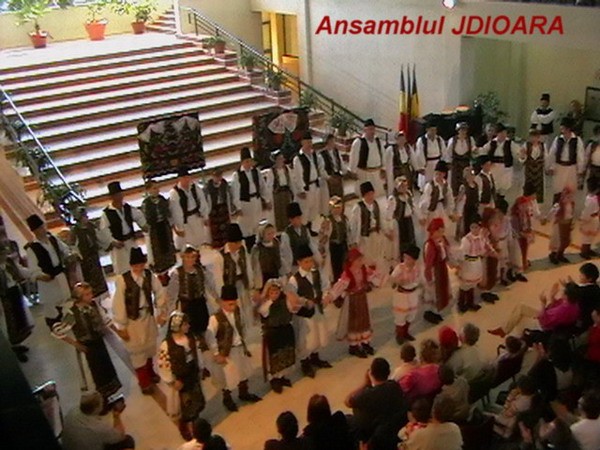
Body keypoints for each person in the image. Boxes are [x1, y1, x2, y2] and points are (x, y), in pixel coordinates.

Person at [52, 282, 122, 405]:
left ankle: (107, 397)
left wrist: (118, 332)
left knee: (105, 371)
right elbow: (58, 331)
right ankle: (99, 402)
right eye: (87, 294)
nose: (91, 296)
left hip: (99, 344)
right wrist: (75, 344)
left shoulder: (94, 305)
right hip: (87, 347)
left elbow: (105, 319)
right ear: (79, 297)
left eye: (90, 293)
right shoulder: (72, 313)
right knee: (92, 375)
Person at [111, 248, 167, 394]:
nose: (139, 269)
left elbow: (159, 292)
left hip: (147, 316)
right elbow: (118, 304)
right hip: (132, 321)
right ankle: (144, 381)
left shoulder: (148, 276)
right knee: (137, 352)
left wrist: (161, 311)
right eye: (136, 266)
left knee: (149, 347)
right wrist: (122, 326)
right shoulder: (123, 280)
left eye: (141, 265)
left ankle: (150, 372)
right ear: (131, 265)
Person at [205, 284, 261, 412]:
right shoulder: (215, 318)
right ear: (222, 302)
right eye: (230, 304)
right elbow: (210, 336)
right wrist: (216, 353)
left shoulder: (237, 312)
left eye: (234, 304)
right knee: (229, 377)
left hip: (239, 347)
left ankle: (244, 393)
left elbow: (242, 326)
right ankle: (227, 399)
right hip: (227, 351)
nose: (233, 307)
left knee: (243, 371)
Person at [327, 248, 385, 358]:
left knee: (364, 320)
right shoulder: (347, 273)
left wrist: (384, 278)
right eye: (358, 260)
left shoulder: (364, 269)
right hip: (352, 300)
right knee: (354, 322)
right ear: (351, 261)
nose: (361, 262)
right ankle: (354, 346)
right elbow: (340, 286)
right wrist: (331, 296)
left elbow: (374, 276)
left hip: (362, 298)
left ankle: (365, 342)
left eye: (361, 260)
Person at [156, 312, 205, 440]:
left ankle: (196, 425)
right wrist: (172, 381)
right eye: (185, 324)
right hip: (179, 380)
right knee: (183, 406)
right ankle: (185, 428)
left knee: (195, 401)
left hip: (192, 375)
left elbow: (197, 353)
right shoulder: (166, 345)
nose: (188, 326)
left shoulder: (190, 339)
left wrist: (200, 367)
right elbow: (163, 364)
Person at [286, 244, 331, 378]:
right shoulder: (294, 279)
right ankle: (305, 362)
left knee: (318, 334)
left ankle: (315, 357)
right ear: (299, 262)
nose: (309, 264)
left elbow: (324, 286)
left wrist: (325, 296)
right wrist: (303, 302)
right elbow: (292, 298)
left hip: (317, 309)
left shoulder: (316, 273)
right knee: (306, 339)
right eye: (306, 262)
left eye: (311, 260)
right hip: (304, 316)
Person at [345, 357, 408, 449]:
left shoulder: (367, 395)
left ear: (371, 374)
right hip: (393, 428)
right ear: (388, 373)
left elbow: (347, 401)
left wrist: (365, 383)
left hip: (374, 433)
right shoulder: (394, 386)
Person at [167, 246, 218, 353]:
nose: (190, 260)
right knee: (189, 328)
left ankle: (205, 344)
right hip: (186, 305)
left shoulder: (200, 270)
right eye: (187, 257)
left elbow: (210, 286)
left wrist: (217, 298)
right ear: (182, 257)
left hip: (200, 303)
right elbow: (172, 294)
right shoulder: (177, 273)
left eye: (192, 257)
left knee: (204, 325)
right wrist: (168, 311)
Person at [24, 213, 71, 328]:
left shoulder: (53, 239)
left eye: (43, 227)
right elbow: (33, 270)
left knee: (66, 303)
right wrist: (41, 276)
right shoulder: (32, 248)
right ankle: (55, 326)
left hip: (60, 276)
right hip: (48, 282)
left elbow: (65, 250)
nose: (43, 230)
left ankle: (68, 323)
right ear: (35, 231)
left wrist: (70, 256)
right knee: (52, 308)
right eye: (39, 228)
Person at [488, 281, 581, 338]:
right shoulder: (574, 304)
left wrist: (543, 303)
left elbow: (544, 321)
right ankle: (504, 330)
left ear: (566, 295)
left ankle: (516, 340)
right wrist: (552, 297)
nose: (561, 292)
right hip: (554, 321)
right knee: (520, 307)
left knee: (520, 320)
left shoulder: (562, 310)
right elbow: (554, 307)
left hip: (546, 326)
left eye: (563, 292)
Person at [257, 279, 296, 393]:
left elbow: (292, 308)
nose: (274, 295)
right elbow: (263, 312)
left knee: (285, 354)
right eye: (271, 292)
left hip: (285, 330)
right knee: (274, 357)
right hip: (273, 333)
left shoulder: (284, 301)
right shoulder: (266, 304)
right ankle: (274, 379)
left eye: (276, 292)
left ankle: (282, 376)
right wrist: (269, 301)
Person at [100, 181, 147, 275]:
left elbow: (139, 217)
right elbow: (104, 230)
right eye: (116, 195)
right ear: (112, 197)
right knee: (122, 270)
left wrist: (143, 225)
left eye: (120, 194)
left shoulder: (128, 208)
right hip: (118, 246)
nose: (119, 197)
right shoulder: (107, 213)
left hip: (131, 241)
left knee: (137, 265)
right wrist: (113, 241)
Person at [62, 391, 134, 450]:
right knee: (128, 441)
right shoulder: (100, 428)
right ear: (97, 409)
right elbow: (120, 436)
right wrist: (116, 415)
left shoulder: (72, 412)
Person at [231, 146, 271, 249]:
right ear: (242, 162)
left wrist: (267, 200)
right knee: (246, 227)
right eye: (246, 162)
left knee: (256, 224)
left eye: (249, 161)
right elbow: (236, 192)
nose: (248, 164)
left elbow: (262, 186)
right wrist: (238, 207)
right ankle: (248, 247)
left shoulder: (256, 172)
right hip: (245, 203)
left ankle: (258, 245)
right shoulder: (237, 175)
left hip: (256, 201)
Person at [0, 244, 33, 362]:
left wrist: (34, 273)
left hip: (14, 293)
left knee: (20, 320)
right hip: (4, 298)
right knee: (9, 323)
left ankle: (17, 344)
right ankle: (11, 348)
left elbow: (21, 271)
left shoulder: (9, 262)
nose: (4, 256)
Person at [457, 216, 496, 313]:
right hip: (468, 264)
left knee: (473, 284)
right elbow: (461, 254)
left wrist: (492, 252)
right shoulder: (466, 240)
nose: (474, 229)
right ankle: (461, 303)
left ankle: (470, 302)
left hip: (477, 262)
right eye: (472, 227)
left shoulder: (482, 237)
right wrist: (459, 266)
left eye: (476, 227)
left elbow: (487, 246)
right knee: (465, 285)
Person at [70, 207, 111, 299]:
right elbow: (73, 245)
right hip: (85, 259)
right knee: (89, 279)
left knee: (99, 277)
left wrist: (108, 245)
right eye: (84, 216)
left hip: (94, 256)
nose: (86, 218)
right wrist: (77, 255)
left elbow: (99, 237)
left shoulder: (91, 227)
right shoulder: (75, 231)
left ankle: (102, 296)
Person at [350, 181, 389, 274]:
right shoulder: (358, 207)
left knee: (377, 257)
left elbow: (380, 219)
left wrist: (386, 232)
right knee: (366, 258)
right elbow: (354, 225)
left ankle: (376, 275)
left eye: (372, 194)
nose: (371, 196)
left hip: (376, 235)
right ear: (364, 195)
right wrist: (354, 241)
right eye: (368, 194)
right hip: (365, 237)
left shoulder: (375, 204)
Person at [546, 117, 585, 204]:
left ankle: (568, 209)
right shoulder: (558, 139)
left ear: (568, 128)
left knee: (570, 189)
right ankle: (556, 207)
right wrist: (550, 166)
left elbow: (580, 156)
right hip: (559, 166)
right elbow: (552, 154)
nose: (561, 129)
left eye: (563, 127)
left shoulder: (577, 140)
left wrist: (580, 170)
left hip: (571, 168)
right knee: (557, 188)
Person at [170, 167, 211, 251]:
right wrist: (180, 227)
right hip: (185, 221)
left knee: (200, 240)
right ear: (179, 179)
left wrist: (205, 216)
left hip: (197, 217)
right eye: (183, 178)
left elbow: (202, 201)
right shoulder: (174, 193)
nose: (186, 180)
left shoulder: (195, 187)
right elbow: (176, 212)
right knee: (188, 244)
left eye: (187, 177)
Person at [141, 180, 177, 274]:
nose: (157, 190)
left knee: (168, 243)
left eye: (157, 188)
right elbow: (146, 217)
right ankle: (160, 265)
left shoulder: (162, 199)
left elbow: (167, 212)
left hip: (164, 225)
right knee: (157, 247)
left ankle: (170, 262)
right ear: (148, 190)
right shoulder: (146, 203)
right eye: (154, 188)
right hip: (155, 228)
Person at [292, 132, 327, 228]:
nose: (309, 144)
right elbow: (298, 176)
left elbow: (320, 168)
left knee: (314, 209)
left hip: (315, 186)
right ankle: (303, 229)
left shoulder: (315, 156)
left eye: (310, 142)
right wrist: (301, 190)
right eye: (307, 142)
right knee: (305, 210)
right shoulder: (298, 158)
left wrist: (327, 177)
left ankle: (310, 227)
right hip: (306, 188)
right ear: (302, 143)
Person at [390, 245, 422, 344]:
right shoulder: (400, 268)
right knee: (401, 315)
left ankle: (405, 332)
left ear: (414, 260)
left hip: (413, 293)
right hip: (402, 295)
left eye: (408, 258)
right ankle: (399, 334)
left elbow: (419, 279)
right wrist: (398, 281)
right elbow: (392, 279)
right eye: (405, 257)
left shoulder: (417, 268)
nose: (406, 260)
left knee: (411, 314)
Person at [422, 218, 451, 324]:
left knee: (439, 291)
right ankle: (429, 312)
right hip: (434, 271)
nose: (441, 234)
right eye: (438, 231)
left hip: (441, 269)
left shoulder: (442, 240)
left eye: (442, 231)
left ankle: (435, 311)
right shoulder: (430, 245)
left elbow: (446, 253)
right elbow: (428, 263)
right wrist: (429, 277)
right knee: (432, 292)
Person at [482, 123, 519, 203]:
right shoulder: (492, 143)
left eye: (504, 133)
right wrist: (476, 151)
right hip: (494, 167)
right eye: (501, 133)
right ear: (497, 134)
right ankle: (494, 201)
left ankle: (501, 200)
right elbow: (483, 150)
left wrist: (521, 155)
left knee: (504, 186)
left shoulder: (510, 143)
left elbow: (517, 153)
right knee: (494, 185)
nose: (503, 135)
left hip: (506, 168)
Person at [280, 202, 320, 276]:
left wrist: (318, 259)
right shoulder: (286, 234)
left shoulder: (305, 230)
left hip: (307, 264)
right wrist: (288, 271)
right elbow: (286, 254)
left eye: (300, 217)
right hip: (295, 266)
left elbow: (312, 245)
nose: (300, 220)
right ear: (291, 220)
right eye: (297, 218)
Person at [492, 375, 537, 439]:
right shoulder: (532, 397)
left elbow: (508, 411)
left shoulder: (521, 403)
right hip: (512, 419)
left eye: (519, 388)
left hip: (509, 423)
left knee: (488, 417)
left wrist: (510, 398)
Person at [349, 118, 385, 197]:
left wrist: (383, 168)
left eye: (373, 129)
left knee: (376, 194)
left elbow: (382, 154)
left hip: (376, 173)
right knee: (365, 195)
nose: (372, 132)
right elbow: (354, 157)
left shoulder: (378, 141)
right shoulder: (358, 142)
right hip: (364, 173)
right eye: (370, 129)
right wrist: (353, 171)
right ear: (365, 130)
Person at [511, 182, 541, 274]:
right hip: (522, 229)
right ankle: (523, 264)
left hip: (524, 228)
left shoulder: (527, 202)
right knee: (522, 247)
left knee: (524, 247)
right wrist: (525, 231)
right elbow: (523, 219)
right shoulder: (523, 203)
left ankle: (523, 261)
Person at [386, 176, 418, 260]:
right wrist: (390, 228)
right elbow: (389, 214)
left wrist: (419, 216)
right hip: (400, 222)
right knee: (401, 241)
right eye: (401, 186)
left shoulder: (408, 194)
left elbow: (413, 206)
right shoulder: (393, 199)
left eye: (405, 186)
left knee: (411, 239)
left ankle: (411, 258)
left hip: (409, 220)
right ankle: (402, 258)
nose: (404, 188)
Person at [418, 160, 455, 231]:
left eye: (440, 174)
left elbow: (450, 199)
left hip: (442, 209)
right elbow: (425, 201)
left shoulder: (446, 186)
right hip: (432, 210)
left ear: (444, 174)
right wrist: (424, 216)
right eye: (436, 174)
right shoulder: (430, 185)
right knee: (432, 228)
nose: (438, 176)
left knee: (442, 228)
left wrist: (450, 212)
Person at [563, 262, 600, 330]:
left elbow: (576, 293)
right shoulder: (594, 287)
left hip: (586, 318)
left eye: (582, 275)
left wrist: (568, 286)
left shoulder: (587, 291)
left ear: (590, 279)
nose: (579, 276)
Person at [204, 167, 235, 249]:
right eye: (216, 176)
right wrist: (206, 215)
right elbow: (206, 201)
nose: (218, 178)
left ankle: (227, 246)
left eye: (219, 175)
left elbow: (228, 197)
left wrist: (230, 211)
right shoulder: (208, 187)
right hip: (213, 211)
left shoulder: (225, 184)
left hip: (223, 209)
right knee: (215, 231)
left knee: (226, 230)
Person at [265, 150, 294, 232]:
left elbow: (291, 181)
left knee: (287, 212)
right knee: (279, 213)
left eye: (282, 158)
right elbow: (269, 187)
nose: (282, 160)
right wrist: (268, 200)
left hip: (286, 194)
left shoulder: (287, 169)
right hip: (277, 195)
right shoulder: (272, 172)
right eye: (279, 159)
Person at [445, 122, 476, 197]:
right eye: (461, 130)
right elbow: (448, 152)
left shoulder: (470, 139)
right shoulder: (452, 140)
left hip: (466, 163)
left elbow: (473, 152)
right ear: (458, 131)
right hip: (456, 164)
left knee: (466, 180)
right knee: (455, 182)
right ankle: (455, 197)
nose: (463, 132)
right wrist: (449, 163)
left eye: (464, 130)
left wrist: (472, 162)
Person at [546, 186, 575, 265]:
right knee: (557, 241)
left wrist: (571, 224)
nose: (568, 198)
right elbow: (551, 213)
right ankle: (553, 255)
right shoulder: (558, 205)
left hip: (567, 225)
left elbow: (571, 214)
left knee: (566, 241)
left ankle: (560, 254)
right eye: (566, 196)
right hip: (558, 226)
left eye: (569, 196)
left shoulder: (571, 204)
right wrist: (547, 219)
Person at [322, 196, 349, 281]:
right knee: (335, 267)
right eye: (336, 208)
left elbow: (348, 232)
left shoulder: (344, 218)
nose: (338, 210)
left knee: (344, 264)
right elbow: (325, 236)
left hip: (343, 245)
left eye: (339, 207)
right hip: (333, 247)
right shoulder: (328, 220)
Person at [251, 222, 284, 290]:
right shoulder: (257, 248)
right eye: (268, 234)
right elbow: (254, 265)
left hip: (276, 273)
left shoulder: (276, 242)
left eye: (272, 233)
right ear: (262, 234)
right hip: (263, 276)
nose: (271, 235)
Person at [415, 120, 446, 191]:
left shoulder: (439, 139)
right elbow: (419, 154)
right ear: (427, 130)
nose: (433, 132)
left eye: (435, 130)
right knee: (426, 185)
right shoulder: (422, 140)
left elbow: (444, 152)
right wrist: (421, 167)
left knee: (437, 184)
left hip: (437, 164)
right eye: (432, 130)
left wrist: (442, 164)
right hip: (427, 165)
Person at [384, 131, 418, 196]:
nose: (402, 141)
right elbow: (389, 164)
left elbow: (413, 159)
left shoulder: (408, 148)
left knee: (408, 186)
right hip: (397, 172)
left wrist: (417, 169)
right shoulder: (391, 149)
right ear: (396, 140)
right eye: (400, 139)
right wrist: (389, 176)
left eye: (403, 139)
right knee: (398, 188)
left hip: (407, 171)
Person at [519, 129, 546, 203]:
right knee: (527, 189)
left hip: (539, 172)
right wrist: (522, 156)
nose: (533, 139)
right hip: (529, 172)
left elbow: (546, 158)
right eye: (531, 137)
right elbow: (522, 158)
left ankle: (537, 205)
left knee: (538, 190)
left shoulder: (543, 146)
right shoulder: (526, 145)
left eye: (535, 137)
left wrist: (547, 167)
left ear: (538, 137)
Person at [455, 166, 480, 239]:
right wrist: (456, 207)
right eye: (470, 175)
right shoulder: (464, 186)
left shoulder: (476, 185)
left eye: (473, 175)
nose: (472, 177)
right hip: (466, 207)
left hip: (474, 206)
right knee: (465, 223)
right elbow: (459, 198)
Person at [320, 133, 347, 199]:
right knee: (331, 199)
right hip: (329, 179)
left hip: (338, 177)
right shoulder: (321, 155)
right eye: (331, 141)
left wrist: (345, 173)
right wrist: (329, 178)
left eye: (334, 141)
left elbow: (341, 164)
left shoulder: (336, 152)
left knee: (340, 198)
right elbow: (321, 170)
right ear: (327, 142)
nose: (333, 143)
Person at [579, 176, 600, 260]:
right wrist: (584, 220)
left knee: (590, 237)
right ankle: (583, 251)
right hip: (589, 220)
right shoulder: (590, 199)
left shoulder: (593, 198)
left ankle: (588, 249)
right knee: (586, 238)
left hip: (593, 219)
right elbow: (586, 212)